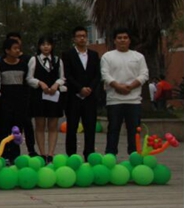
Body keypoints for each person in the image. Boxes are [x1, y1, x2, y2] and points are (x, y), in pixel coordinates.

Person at [101, 28, 149, 157]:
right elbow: (105, 74)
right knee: (113, 129)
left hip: (134, 100)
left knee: (134, 130)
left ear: (129, 40)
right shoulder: (107, 56)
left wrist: (130, 86)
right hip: (114, 100)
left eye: (125, 38)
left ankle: (134, 155)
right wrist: (118, 86)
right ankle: (110, 156)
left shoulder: (138, 57)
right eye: (119, 38)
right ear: (114, 40)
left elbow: (144, 75)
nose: (122, 40)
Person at [61, 26, 101, 158]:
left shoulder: (94, 55)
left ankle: (89, 154)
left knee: (90, 128)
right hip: (73, 97)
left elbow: (97, 75)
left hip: (90, 97)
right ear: (74, 39)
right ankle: (71, 155)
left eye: (84, 36)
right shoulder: (67, 55)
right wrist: (80, 88)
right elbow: (67, 75)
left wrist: (90, 88)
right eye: (79, 36)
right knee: (72, 127)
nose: (82, 38)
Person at [27, 36, 66, 163]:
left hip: (54, 96)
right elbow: (29, 78)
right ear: (39, 46)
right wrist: (40, 83)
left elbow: (62, 77)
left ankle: (51, 154)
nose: (46, 47)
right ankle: (43, 153)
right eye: (43, 44)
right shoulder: (34, 60)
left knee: (53, 125)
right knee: (40, 125)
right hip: (39, 96)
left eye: (48, 44)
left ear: (52, 46)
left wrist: (56, 84)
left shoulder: (58, 60)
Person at [0, 38, 29, 164]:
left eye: (18, 48)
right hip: (4, 103)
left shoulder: (23, 65)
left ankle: (15, 155)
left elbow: (26, 84)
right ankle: (4, 154)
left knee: (17, 129)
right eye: (14, 48)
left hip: (19, 102)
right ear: (7, 50)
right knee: (4, 129)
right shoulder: (0, 65)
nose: (17, 51)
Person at [6, 31, 37, 156]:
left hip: (24, 99)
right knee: (9, 126)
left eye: (17, 40)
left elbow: (30, 79)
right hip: (8, 101)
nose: (15, 44)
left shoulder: (27, 60)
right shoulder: (2, 62)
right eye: (12, 41)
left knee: (27, 125)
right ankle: (9, 152)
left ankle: (31, 149)